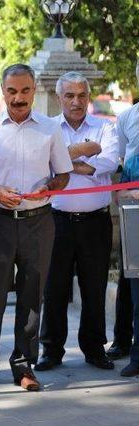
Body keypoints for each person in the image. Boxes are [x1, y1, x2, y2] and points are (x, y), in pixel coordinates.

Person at [0, 64, 72, 392]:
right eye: (12, 91)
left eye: (25, 90)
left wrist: (50, 187)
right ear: (2, 91)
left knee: (32, 296)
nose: (18, 97)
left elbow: (64, 174)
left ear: (33, 89)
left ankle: (24, 365)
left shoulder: (50, 128)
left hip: (39, 223)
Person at [35, 72, 119, 372]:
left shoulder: (105, 127)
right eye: (69, 95)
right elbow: (43, 162)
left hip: (96, 223)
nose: (76, 101)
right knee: (54, 288)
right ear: (59, 98)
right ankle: (51, 350)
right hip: (56, 221)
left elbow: (109, 161)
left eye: (81, 95)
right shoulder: (47, 129)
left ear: (89, 96)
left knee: (94, 287)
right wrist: (84, 152)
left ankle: (95, 349)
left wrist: (65, 163)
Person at [108, 60, 139, 361]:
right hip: (132, 204)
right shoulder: (128, 116)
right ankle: (121, 340)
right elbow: (119, 160)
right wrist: (121, 191)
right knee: (129, 275)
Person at [117, 142, 139, 377]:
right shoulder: (134, 162)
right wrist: (132, 193)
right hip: (137, 245)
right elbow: (118, 195)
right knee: (138, 305)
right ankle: (137, 358)